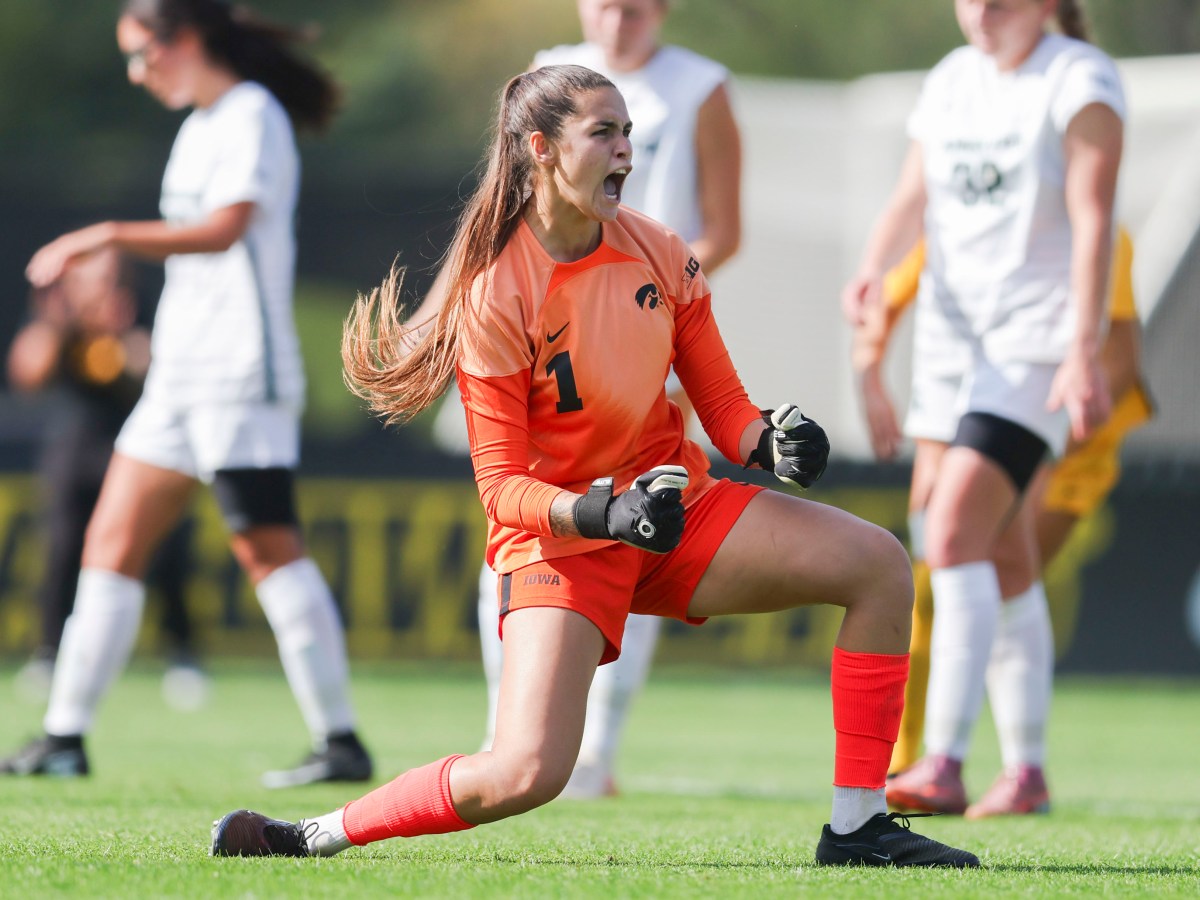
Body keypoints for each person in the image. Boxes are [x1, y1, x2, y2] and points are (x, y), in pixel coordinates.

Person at [209, 64, 979, 869]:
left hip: (672, 513)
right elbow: (502, 489)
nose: (626, 153)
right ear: (540, 150)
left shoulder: (661, 252)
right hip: (562, 541)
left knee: (881, 566)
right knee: (525, 773)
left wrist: (775, 443)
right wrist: (603, 513)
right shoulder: (496, 293)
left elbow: (727, 413)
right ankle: (307, 836)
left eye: (630, 135)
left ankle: (858, 828)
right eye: (604, 133)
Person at [0, 0, 371, 788]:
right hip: (179, 374)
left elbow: (226, 228)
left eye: (144, 54)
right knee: (110, 542)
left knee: (266, 550)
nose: (138, 73)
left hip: (240, 372)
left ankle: (340, 740)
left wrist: (103, 235)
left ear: (187, 41)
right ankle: (64, 735)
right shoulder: (200, 124)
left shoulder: (251, 114)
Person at [841, 0, 1125, 817]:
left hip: (1034, 343)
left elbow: (1093, 216)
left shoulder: (1079, 78)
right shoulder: (952, 79)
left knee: (953, 530)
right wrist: (873, 265)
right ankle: (1027, 770)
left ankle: (942, 762)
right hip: (951, 348)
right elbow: (912, 195)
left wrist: (1082, 347)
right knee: (1000, 557)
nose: (984, 9)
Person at [476, 0, 744, 799]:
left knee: (647, 527)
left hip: (644, 333)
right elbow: (503, 214)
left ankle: (599, 749)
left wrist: (647, 303)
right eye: (606, 2)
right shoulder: (547, 71)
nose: (619, 17)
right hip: (549, 338)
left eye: (637, 5)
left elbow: (722, 229)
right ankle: (512, 730)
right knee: (521, 521)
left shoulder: (701, 85)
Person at [853, 226, 1151, 817]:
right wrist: (869, 367)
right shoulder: (959, 211)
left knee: (964, 562)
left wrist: (1044, 445)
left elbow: (1119, 357)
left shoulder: (1089, 231)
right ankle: (983, 768)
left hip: (1064, 443)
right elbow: (883, 293)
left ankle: (945, 763)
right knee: (979, 570)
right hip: (971, 422)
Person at [6, 248, 207, 710]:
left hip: (140, 442)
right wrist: (60, 323)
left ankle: (183, 653)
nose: (100, 285)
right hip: (77, 444)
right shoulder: (56, 314)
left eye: (107, 275)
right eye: (90, 277)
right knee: (63, 547)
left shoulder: (146, 303)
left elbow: (160, 369)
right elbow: (27, 374)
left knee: (164, 549)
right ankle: (49, 653)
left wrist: (125, 341)